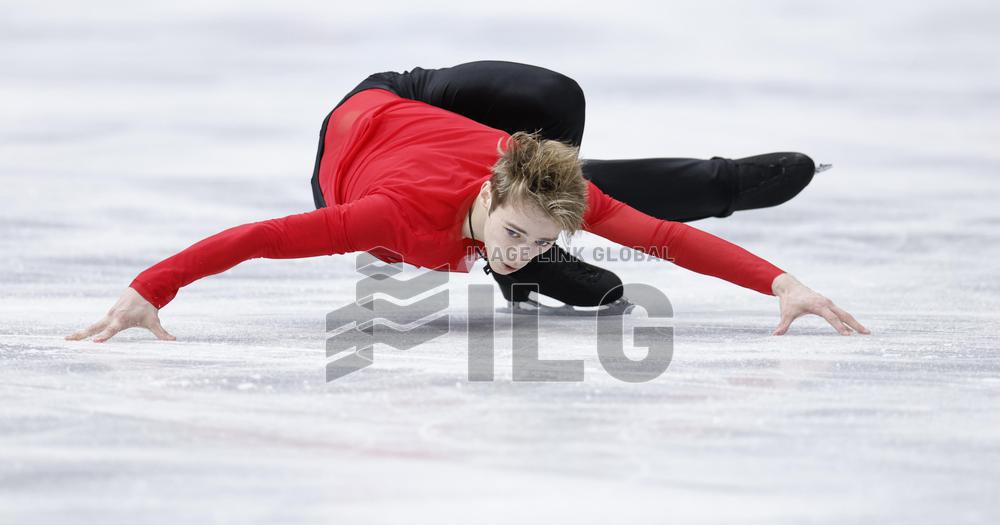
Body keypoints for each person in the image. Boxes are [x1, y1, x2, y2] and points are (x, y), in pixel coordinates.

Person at [65, 60, 869, 343]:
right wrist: (150, 288)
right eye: (516, 238)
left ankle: (719, 183)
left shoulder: (532, 197)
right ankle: (526, 277)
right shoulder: (390, 219)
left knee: (590, 168)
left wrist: (782, 283)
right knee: (554, 94)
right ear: (492, 186)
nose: (518, 242)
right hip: (377, 115)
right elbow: (259, 236)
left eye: (533, 244)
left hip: (473, 165)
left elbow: (661, 236)